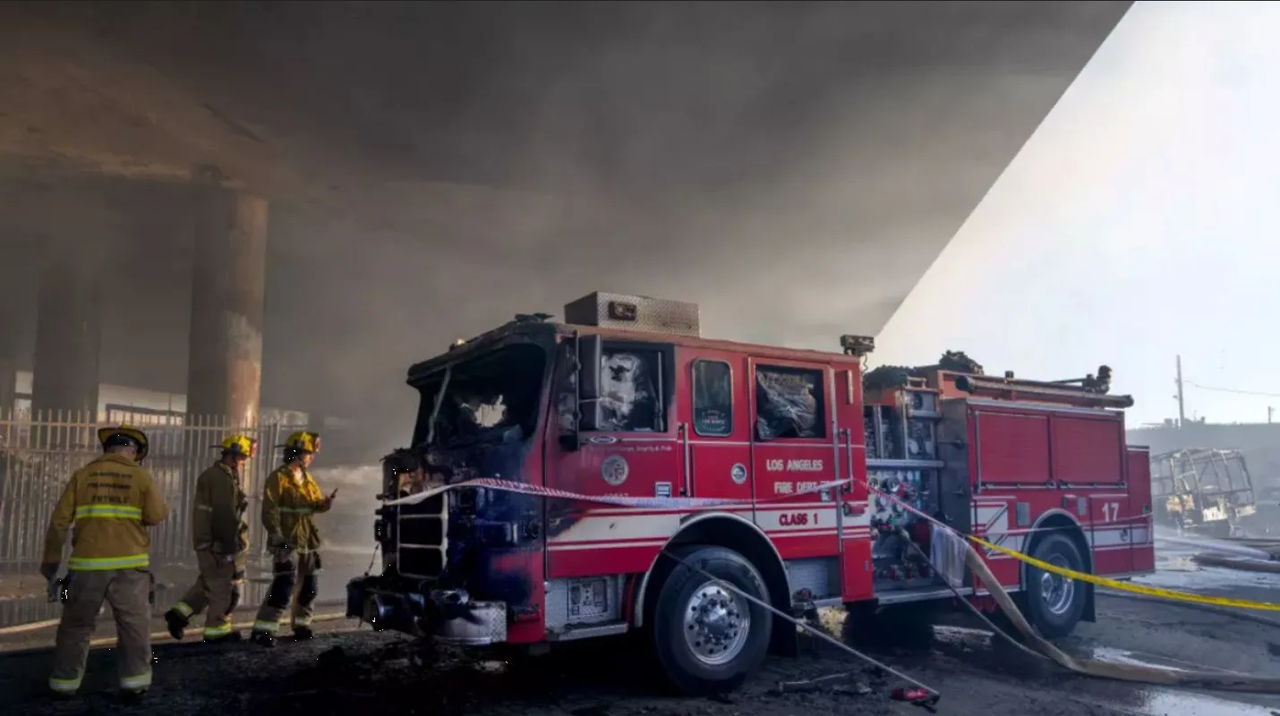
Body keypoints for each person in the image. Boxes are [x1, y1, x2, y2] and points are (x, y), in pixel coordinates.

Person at [41, 425, 168, 700]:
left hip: (87, 565)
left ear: (107, 449)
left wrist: (51, 564)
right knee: (133, 625)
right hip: (130, 566)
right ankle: (135, 683)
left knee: (76, 625)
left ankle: (65, 684)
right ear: (132, 452)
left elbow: (59, 522)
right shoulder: (140, 476)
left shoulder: (83, 475)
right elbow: (157, 515)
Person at [163, 435, 257, 643]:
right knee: (223, 587)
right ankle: (217, 630)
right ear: (231, 457)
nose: (242, 464)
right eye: (241, 459)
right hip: (217, 544)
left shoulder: (219, 476)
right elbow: (224, 516)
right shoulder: (221, 479)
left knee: (209, 582)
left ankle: (178, 615)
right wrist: (227, 547)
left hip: (210, 542)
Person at [249, 431, 334, 647]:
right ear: (296, 453)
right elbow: (269, 510)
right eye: (308, 453)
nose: (311, 457)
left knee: (309, 584)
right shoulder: (278, 478)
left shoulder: (307, 478)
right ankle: (263, 630)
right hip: (288, 538)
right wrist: (276, 535)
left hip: (308, 539)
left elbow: (313, 503)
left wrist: (323, 504)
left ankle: (302, 625)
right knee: (284, 584)